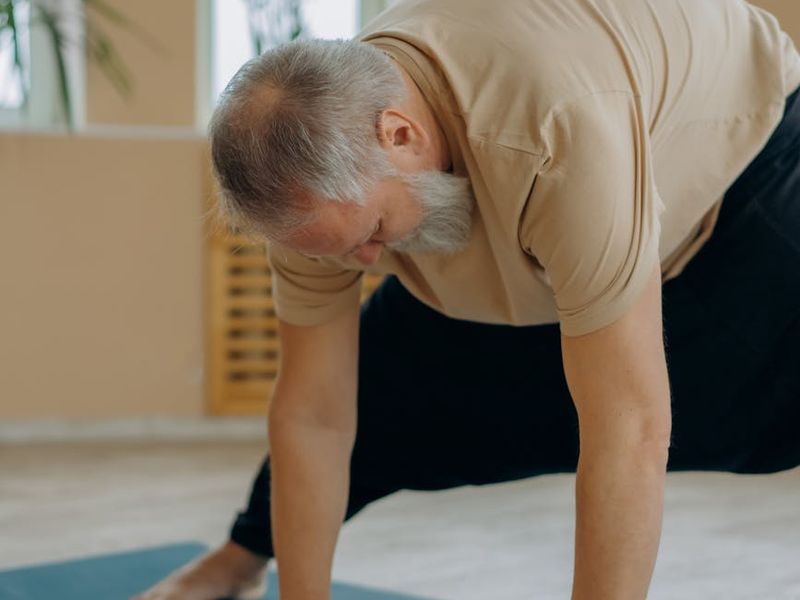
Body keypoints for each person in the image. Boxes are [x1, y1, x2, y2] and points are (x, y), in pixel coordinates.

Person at [135, 0, 800, 598]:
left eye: (369, 236)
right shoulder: (309, 185)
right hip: (521, 185)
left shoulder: (555, 133)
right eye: (329, 249)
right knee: (381, 393)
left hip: (741, 175)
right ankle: (242, 557)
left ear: (400, 137)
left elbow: (628, 430)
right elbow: (313, 414)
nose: (362, 265)